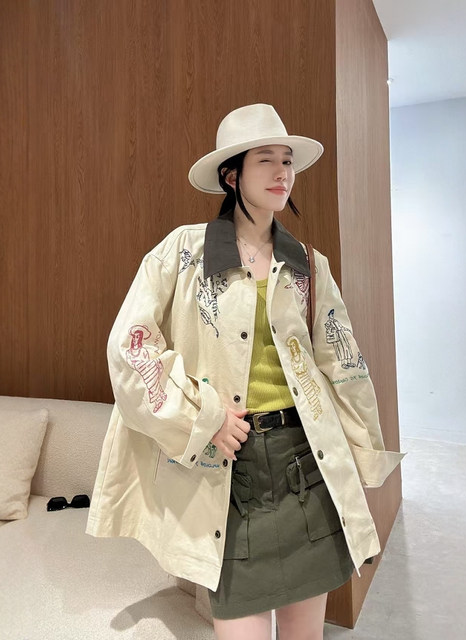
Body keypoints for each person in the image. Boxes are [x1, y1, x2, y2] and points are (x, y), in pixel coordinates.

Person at [86, 103, 404, 640]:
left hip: (306, 464)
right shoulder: (182, 254)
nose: (283, 172)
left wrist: (364, 455)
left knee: (305, 634)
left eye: (287, 160)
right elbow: (130, 349)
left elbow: (343, 365)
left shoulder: (308, 264)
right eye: (266, 160)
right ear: (231, 175)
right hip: (229, 469)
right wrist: (202, 417)